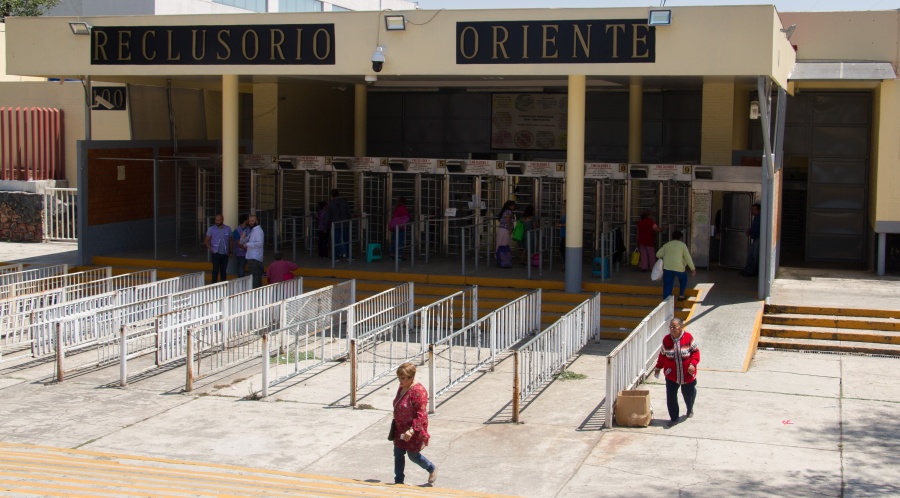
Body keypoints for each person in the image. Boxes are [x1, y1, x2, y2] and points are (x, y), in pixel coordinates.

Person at [391, 362, 437, 486]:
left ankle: (431, 468)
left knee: (413, 455)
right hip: (400, 428)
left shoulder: (418, 391)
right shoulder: (402, 387)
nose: (400, 381)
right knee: (398, 453)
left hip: (413, 430)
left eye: (403, 378)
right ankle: (399, 480)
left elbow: (421, 414)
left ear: (412, 377)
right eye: (399, 378)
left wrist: (411, 430)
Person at [654, 317, 700, 428]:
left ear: (681, 327)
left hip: (687, 374)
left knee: (688, 394)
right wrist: (658, 367)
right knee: (671, 397)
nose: (672, 329)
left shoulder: (688, 338)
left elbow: (695, 353)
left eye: (674, 327)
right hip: (671, 374)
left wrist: (692, 364)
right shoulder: (666, 340)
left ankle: (690, 408)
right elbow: (662, 355)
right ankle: (674, 418)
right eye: (670, 327)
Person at [655, 230, 696, 301]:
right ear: (680, 238)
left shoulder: (666, 245)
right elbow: (687, 257)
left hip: (668, 268)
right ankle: (681, 295)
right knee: (683, 279)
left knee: (668, 284)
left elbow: (658, 254)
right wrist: (692, 268)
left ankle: (666, 301)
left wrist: (666, 256)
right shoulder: (682, 245)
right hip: (679, 267)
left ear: (672, 237)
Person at [204, 214, 231, 284]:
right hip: (216, 253)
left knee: (223, 271)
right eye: (216, 220)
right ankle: (213, 285)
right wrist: (211, 249)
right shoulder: (211, 229)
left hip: (225, 253)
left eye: (219, 220)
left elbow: (230, 240)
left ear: (222, 220)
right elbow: (206, 240)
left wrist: (231, 251)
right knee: (215, 270)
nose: (217, 222)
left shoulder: (228, 229)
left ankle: (223, 285)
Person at [326, 189, 351, 260]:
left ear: (331, 195)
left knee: (336, 241)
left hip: (336, 225)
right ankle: (349, 256)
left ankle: (336, 257)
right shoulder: (344, 202)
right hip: (345, 224)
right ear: (338, 194)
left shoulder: (331, 203)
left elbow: (328, 216)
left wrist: (325, 226)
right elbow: (349, 213)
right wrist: (349, 220)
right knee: (347, 241)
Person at [240, 214, 264, 288]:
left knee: (255, 277)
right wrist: (243, 239)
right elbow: (243, 241)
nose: (251, 222)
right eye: (249, 221)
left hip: (255, 257)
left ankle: (255, 292)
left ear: (256, 221)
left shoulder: (258, 231)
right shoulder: (253, 230)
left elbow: (259, 243)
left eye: (252, 221)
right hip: (252, 256)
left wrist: (247, 244)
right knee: (256, 276)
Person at [741, 203, 761, 277]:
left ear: (759, 210)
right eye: (752, 209)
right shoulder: (756, 218)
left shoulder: (759, 218)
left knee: (754, 255)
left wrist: (749, 231)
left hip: (758, 238)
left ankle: (751, 271)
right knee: (750, 254)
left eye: (754, 209)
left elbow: (756, 229)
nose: (753, 211)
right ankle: (748, 269)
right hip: (756, 237)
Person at [495, 200, 516, 268]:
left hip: (501, 230)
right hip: (505, 230)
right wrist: (510, 228)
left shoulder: (503, 211)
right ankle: (504, 260)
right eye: (513, 205)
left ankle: (499, 259)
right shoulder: (508, 211)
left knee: (499, 245)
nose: (514, 207)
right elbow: (507, 220)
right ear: (510, 206)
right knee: (505, 245)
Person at [231, 214, 250, 278]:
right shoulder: (236, 231)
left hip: (249, 252)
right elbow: (237, 242)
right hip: (241, 253)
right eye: (247, 219)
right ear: (245, 221)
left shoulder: (249, 229)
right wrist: (245, 248)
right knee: (241, 267)